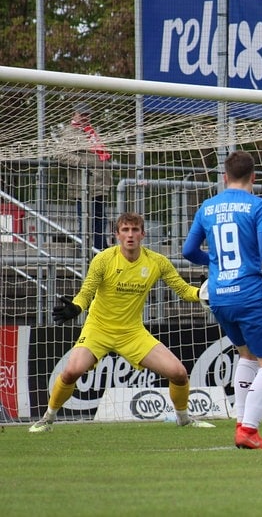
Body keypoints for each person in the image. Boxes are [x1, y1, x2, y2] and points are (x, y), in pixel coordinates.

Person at [30, 212, 214, 432]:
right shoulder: (104, 259)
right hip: (98, 329)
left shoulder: (157, 262)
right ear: (116, 235)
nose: (130, 235)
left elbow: (183, 290)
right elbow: (86, 292)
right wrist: (76, 307)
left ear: (143, 234)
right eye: (125, 230)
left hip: (132, 332)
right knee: (71, 372)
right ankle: (47, 419)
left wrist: (201, 293)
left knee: (179, 373)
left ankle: (184, 419)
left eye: (135, 230)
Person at [182, 150, 262, 449]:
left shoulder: (208, 207)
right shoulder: (258, 206)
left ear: (225, 177)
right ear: (254, 177)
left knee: (247, 356)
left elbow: (188, 251)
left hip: (219, 296)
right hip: (248, 293)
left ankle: (241, 421)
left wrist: (215, 261)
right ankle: (249, 430)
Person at [57, 102, 113, 251]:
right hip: (84, 184)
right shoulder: (70, 132)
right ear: (74, 115)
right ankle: (88, 250)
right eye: (82, 114)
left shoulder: (91, 132)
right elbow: (60, 155)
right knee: (87, 218)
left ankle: (100, 248)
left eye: (87, 114)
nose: (85, 117)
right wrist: (82, 163)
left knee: (100, 218)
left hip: (99, 183)